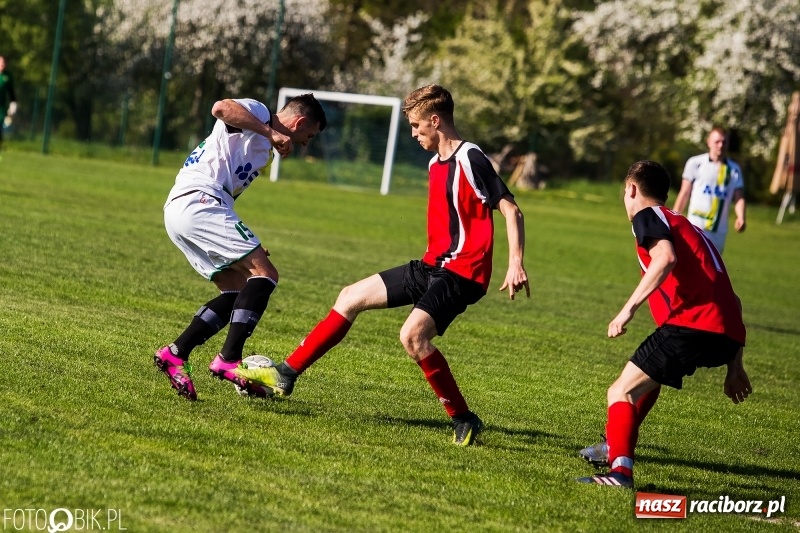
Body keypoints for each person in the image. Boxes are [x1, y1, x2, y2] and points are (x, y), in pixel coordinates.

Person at [236, 84, 530, 446]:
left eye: (417, 126)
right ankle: (286, 373)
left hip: (462, 273)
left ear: (436, 121)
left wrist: (515, 263)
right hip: (431, 266)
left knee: (412, 337)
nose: (414, 134)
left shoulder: (470, 157)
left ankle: (463, 419)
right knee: (350, 297)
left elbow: (511, 210)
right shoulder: (435, 163)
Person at [577, 160, 751, 488]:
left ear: (632, 189)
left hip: (692, 325)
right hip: (724, 336)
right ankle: (613, 444)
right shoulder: (686, 225)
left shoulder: (647, 216)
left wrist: (627, 310)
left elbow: (665, 258)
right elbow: (733, 301)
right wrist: (735, 366)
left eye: (624, 191)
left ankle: (620, 473)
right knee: (648, 379)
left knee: (620, 391)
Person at [154, 95, 327, 401]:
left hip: (186, 208)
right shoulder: (259, 113)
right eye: (308, 136)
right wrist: (271, 131)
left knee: (238, 290)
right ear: (299, 123)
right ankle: (229, 358)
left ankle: (175, 354)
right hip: (199, 201)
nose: (304, 144)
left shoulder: (264, 150)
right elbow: (220, 108)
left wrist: (248, 244)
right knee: (266, 274)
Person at [672, 127, 746, 253]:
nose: (721, 145)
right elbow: (684, 192)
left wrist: (741, 217)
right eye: (717, 141)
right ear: (709, 142)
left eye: (724, 142)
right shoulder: (695, 163)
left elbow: (739, 197)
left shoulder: (734, 169)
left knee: (712, 265)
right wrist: (674, 217)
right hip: (696, 226)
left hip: (718, 231)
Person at [0, 56, 18, 155]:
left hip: (1, 108)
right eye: (1, 62)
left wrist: (13, 105)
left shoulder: (7, 76)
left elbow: (11, 93)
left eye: (4, 62)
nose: (3, 64)